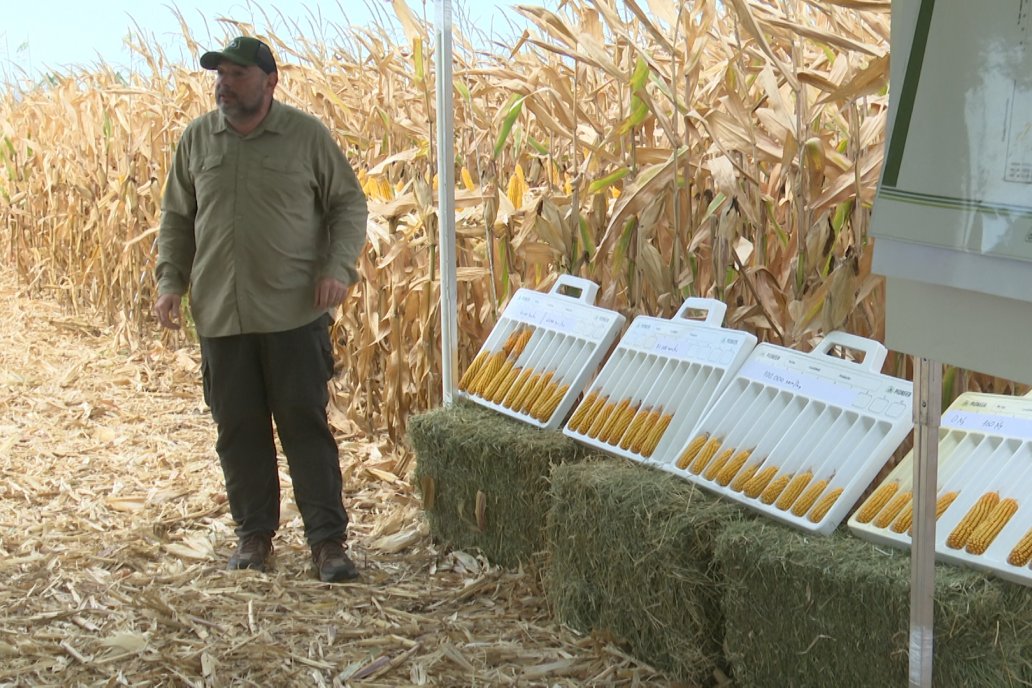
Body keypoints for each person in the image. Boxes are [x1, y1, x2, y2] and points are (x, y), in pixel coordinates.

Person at [154, 36, 368, 582]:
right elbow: (178, 218)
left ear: (270, 81)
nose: (224, 84)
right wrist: (170, 281)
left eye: (238, 74)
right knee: (238, 429)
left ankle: (328, 544)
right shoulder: (198, 140)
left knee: (304, 425)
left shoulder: (305, 137)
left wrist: (337, 268)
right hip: (222, 316)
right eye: (219, 75)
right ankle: (254, 536)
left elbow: (347, 202)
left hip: (294, 313)